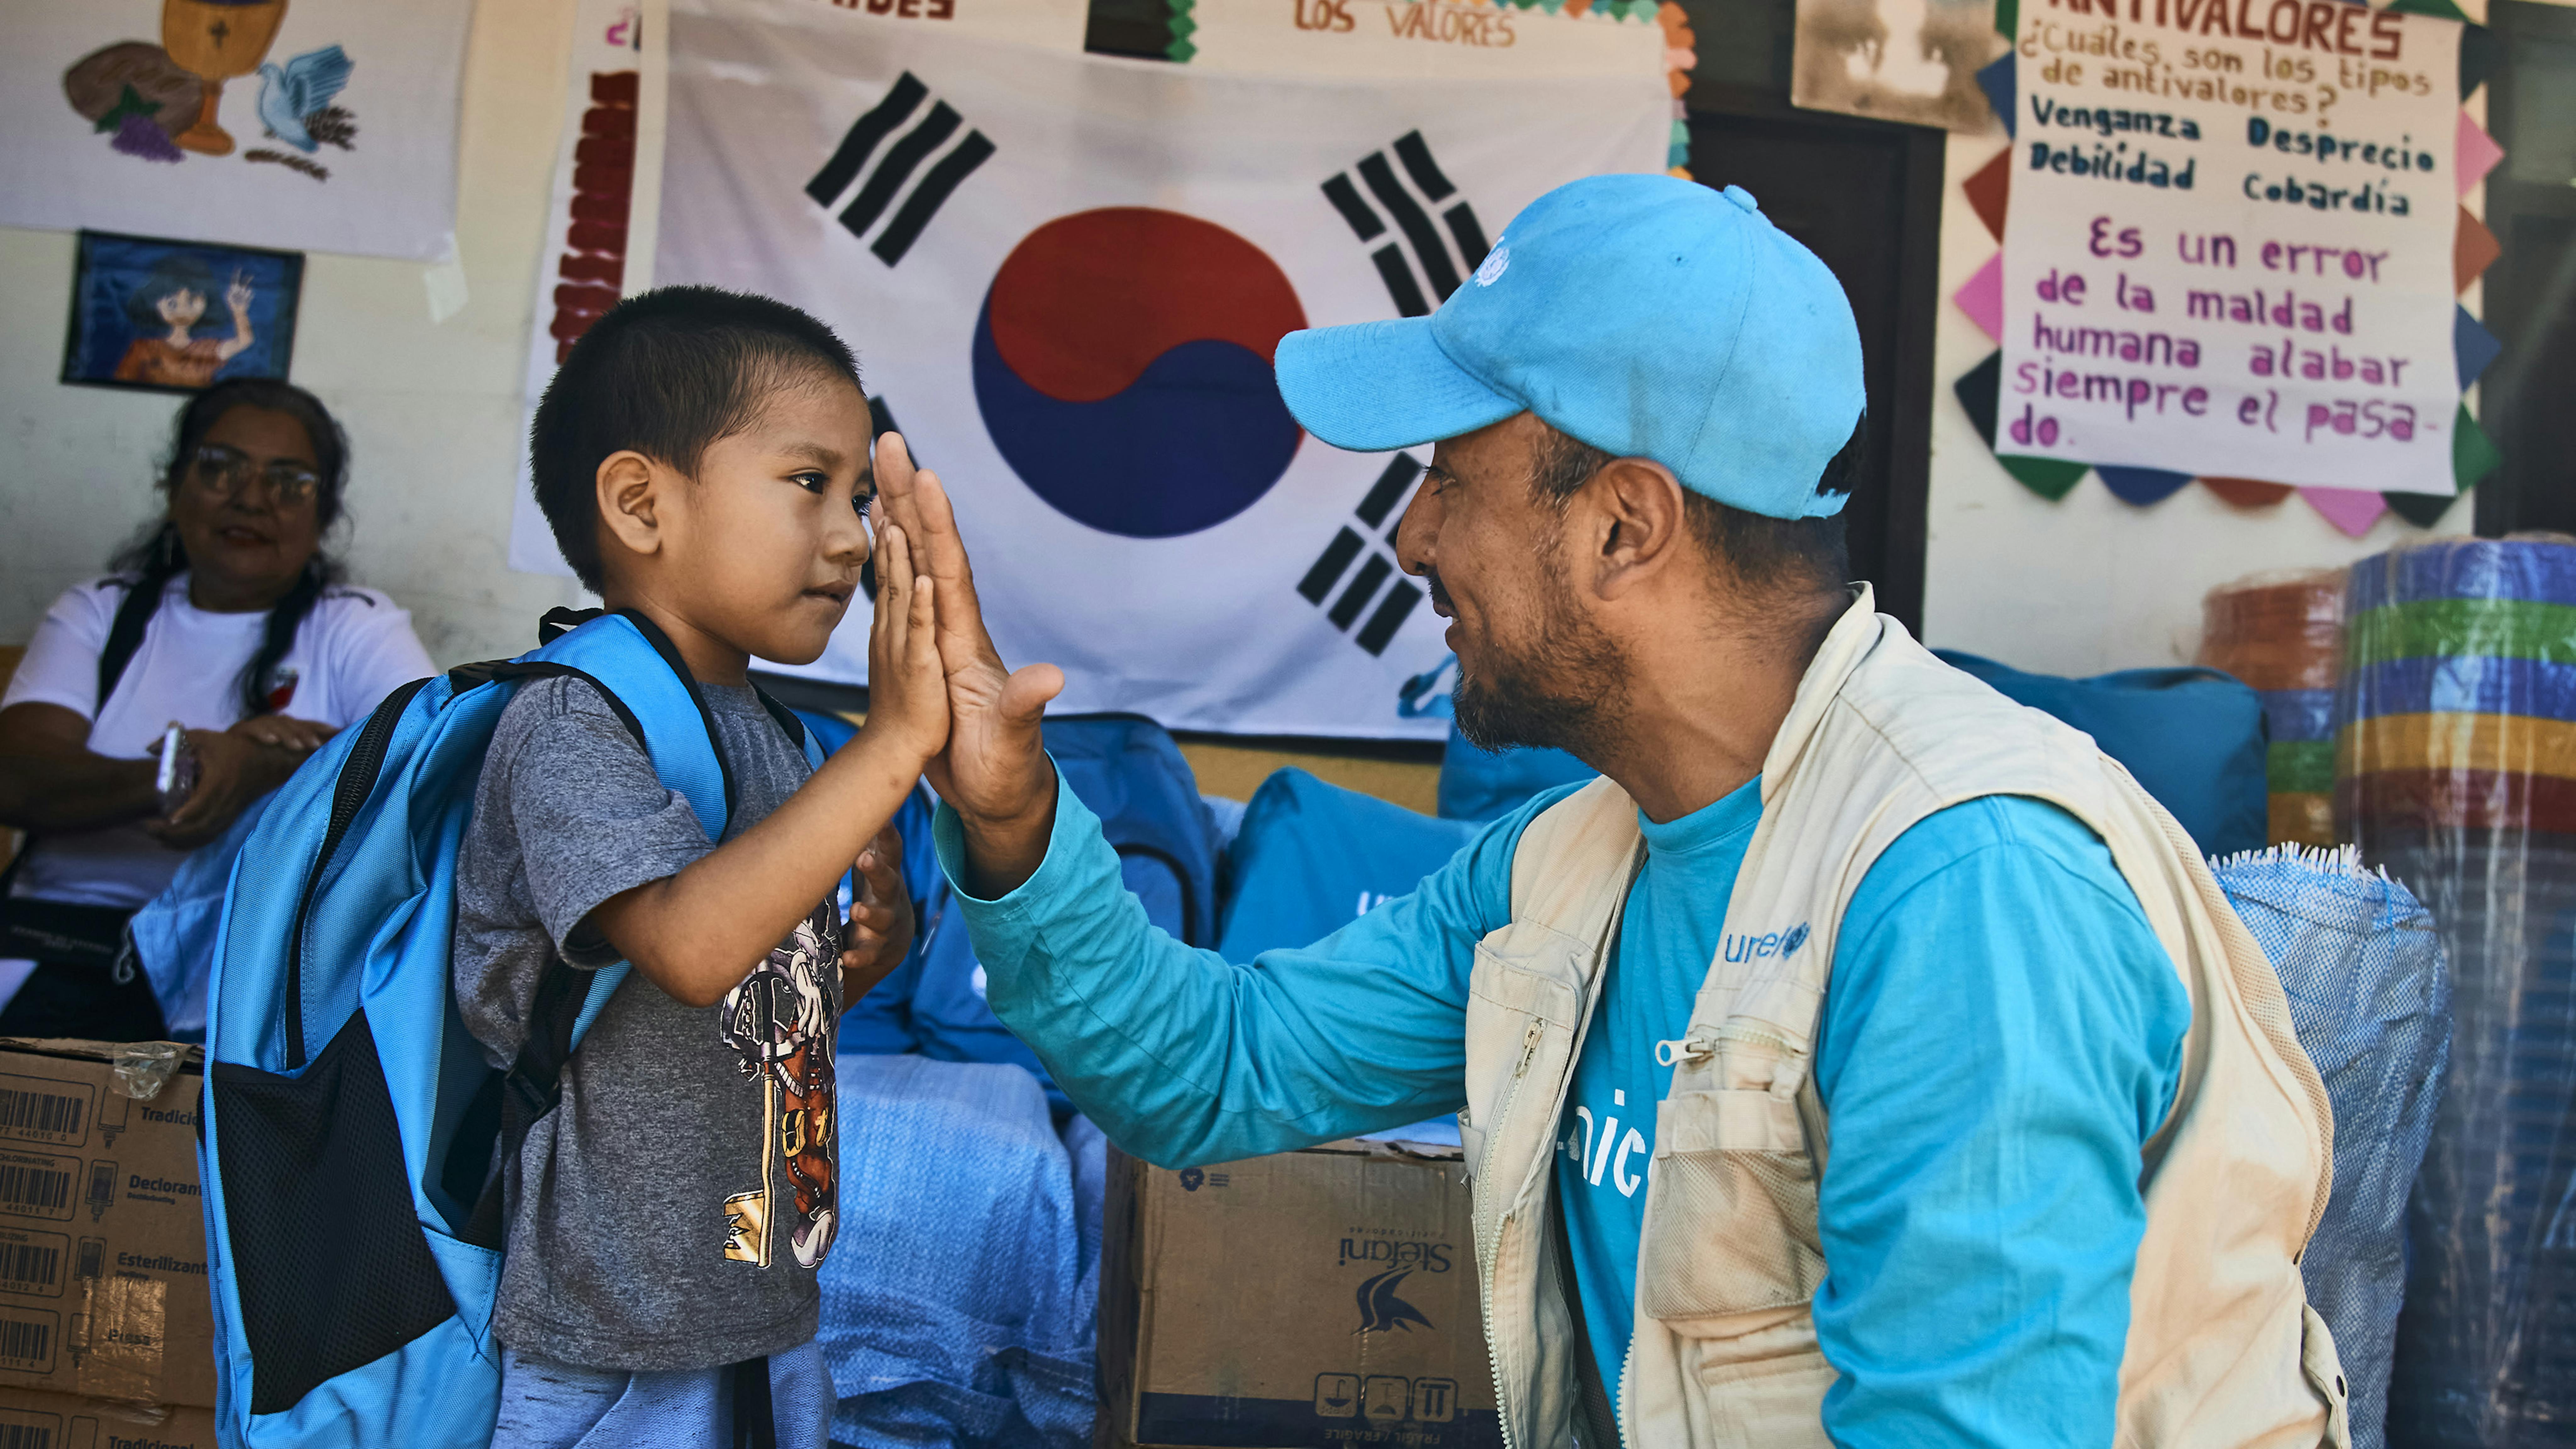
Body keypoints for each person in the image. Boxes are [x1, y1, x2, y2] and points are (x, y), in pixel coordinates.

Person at [880, 175, 2349, 1447]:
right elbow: (1211, 1069)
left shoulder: (1964, 886)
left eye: (1449, 480)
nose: (1412, 536)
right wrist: (1010, 817)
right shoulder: (1569, 863)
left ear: (1623, 527)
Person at [461, 286, 941, 1449]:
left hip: (751, 1296)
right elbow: (685, 947)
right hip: (596, 1333)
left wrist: (859, 965)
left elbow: (746, 1015)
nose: (851, 537)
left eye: (860, 498)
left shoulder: (775, 735)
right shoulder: (575, 717)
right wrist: (890, 744)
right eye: (808, 482)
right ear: (641, 503)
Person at [0, 378, 433, 1040]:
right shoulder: (101, 612)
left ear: (324, 514)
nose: (252, 498)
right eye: (220, 468)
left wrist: (262, 767)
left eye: (289, 481)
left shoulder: (355, 626)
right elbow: (16, 776)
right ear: (174, 485)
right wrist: (183, 776)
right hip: (61, 949)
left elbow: (428, 768)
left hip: (254, 968)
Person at [112, 256, 257, 391]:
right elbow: (122, 385)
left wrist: (239, 311)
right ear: (155, 304)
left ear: (207, 303)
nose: (183, 310)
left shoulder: (207, 349)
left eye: (192, 301)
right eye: (172, 304)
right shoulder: (143, 349)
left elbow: (244, 341)